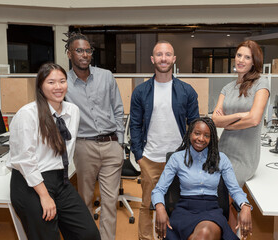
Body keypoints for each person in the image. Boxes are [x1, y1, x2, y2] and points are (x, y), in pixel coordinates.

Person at [7, 63, 100, 240]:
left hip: (60, 180)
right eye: (51, 82)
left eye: (62, 81)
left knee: (88, 234)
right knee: (47, 236)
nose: (58, 87)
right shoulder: (27, 114)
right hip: (31, 183)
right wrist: (44, 195)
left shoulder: (73, 111)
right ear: (40, 86)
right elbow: (25, 160)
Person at [130, 40, 199, 240]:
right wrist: (139, 157)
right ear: (153, 59)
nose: (163, 58)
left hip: (179, 159)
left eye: (167, 54)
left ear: (174, 59)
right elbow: (134, 126)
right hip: (150, 158)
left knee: (177, 204)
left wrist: (192, 154)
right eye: (159, 54)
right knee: (147, 205)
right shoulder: (141, 91)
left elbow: (194, 125)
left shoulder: (187, 91)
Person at [64, 31, 124, 240]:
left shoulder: (106, 76)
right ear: (69, 54)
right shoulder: (63, 83)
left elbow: (118, 108)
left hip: (111, 145)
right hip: (84, 147)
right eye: (79, 50)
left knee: (110, 202)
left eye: (88, 50)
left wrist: (121, 143)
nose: (84, 54)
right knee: (85, 200)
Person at [152, 117, 253, 240]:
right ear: (190, 134)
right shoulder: (177, 158)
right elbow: (159, 189)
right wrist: (160, 207)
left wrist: (245, 206)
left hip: (211, 211)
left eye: (206, 135)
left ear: (211, 139)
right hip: (184, 211)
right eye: (197, 133)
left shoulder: (221, 159)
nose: (201, 139)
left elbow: (235, 189)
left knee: (204, 233)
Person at [212, 40, 269, 230]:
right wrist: (238, 116)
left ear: (254, 62)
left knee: (224, 199)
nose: (241, 60)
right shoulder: (227, 88)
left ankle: (228, 233)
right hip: (223, 150)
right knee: (217, 199)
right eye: (239, 55)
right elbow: (215, 120)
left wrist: (227, 123)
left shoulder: (261, 83)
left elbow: (254, 120)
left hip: (244, 156)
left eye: (247, 57)